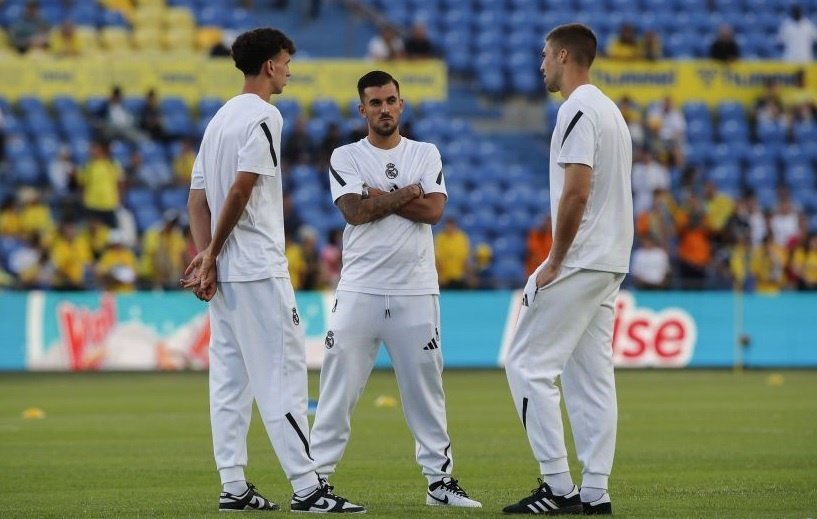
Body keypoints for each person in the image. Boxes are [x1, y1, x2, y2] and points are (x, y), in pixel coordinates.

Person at [181, 28, 363, 513]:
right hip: (258, 270)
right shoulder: (265, 116)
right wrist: (213, 255)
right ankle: (308, 488)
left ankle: (234, 486)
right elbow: (240, 192)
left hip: (224, 279)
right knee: (283, 377)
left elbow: (196, 200)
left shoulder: (218, 120)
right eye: (285, 61)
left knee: (229, 383)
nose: (289, 70)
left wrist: (206, 261)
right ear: (269, 66)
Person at [310, 70, 482, 509]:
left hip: (415, 290)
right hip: (360, 289)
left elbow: (434, 212)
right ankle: (314, 484)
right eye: (375, 102)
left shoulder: (426, 152)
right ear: (361, 108)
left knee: (426, 391)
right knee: (337, 390)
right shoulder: (345, 155)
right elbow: (354, 213)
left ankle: (440, 484)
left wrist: (381, 195)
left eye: (390, 100)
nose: (384, 109)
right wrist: (407, 191)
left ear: (401, 104)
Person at [503, 24, 633, 515]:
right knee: (591, 378)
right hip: (609, 258)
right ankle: (595, 492)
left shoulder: (576, 109)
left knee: (526, 366)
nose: (541, 65)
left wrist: (555, 259)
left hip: (579, 259)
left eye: (544, 56)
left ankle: (558, 486)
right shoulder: (611, 112)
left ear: (562, 55)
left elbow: (578, 189)